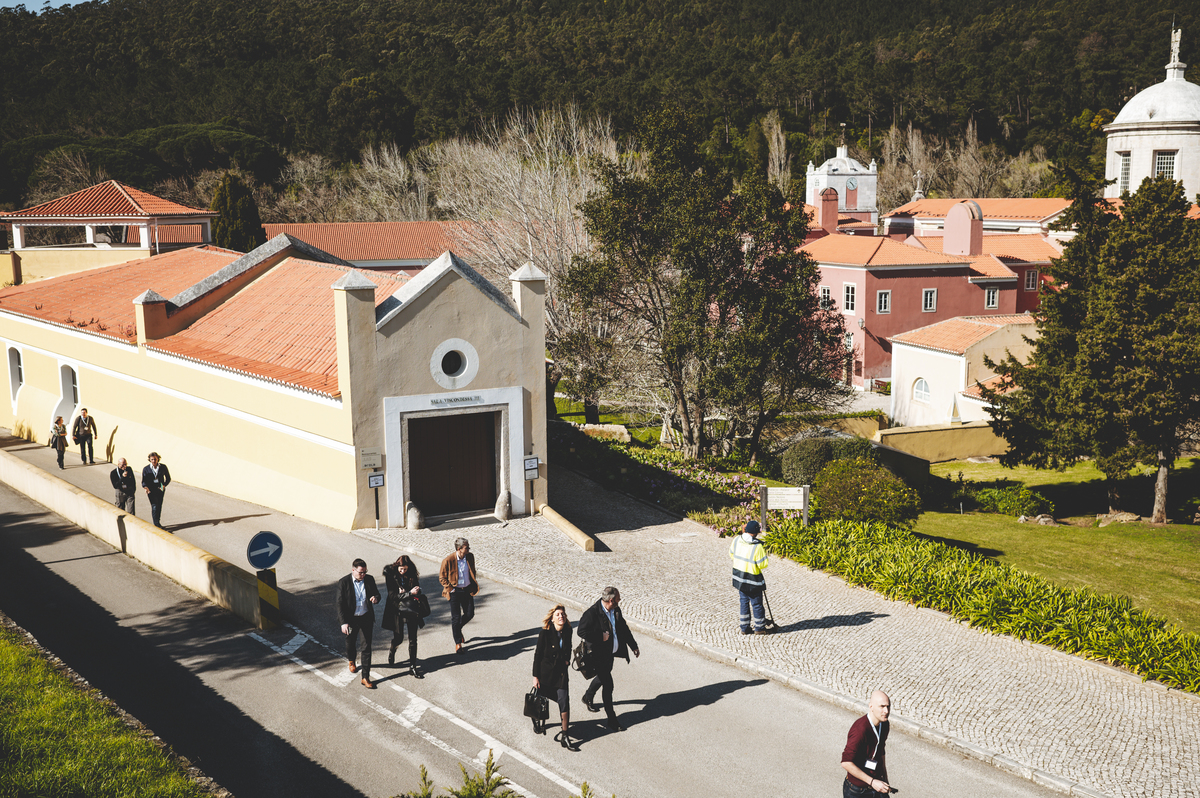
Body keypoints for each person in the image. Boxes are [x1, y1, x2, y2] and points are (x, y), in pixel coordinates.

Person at [577, 586, 639, 732]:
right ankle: (612, 720)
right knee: (608, 685)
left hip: (610, 654)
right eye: (618, 599)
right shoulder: (592, 613)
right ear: (611, 600)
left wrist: (633, 646)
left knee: (603, 676)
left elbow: (623, 628)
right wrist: (600, 636)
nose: (620, 601)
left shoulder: (615, 610)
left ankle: (588, 696)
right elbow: (581, 631)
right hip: (597, 656)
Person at [532, 604, 575, 749]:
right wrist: (535, 676)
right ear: (552, 618)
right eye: (557, 614)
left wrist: (567, 660)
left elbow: (569, 647)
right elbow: (537, 656)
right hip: (546, 674)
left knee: (564, 701)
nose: (561, 616)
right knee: (539, 702)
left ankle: (565, 735)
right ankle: (536, 720)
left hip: (561, 674)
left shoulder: (568, 630)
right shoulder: (544, 633)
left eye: (562, 614)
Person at [336, 558, 380, 689]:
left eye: (365, 572)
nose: (363, 575)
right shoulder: (344, 582)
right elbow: (339, 604)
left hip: (365, 617)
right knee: (350, 642)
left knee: (366, 647)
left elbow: (377, 594)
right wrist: (343, 622)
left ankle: (365, 677)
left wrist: (376, 598)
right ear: (353, 570)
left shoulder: (369, 579)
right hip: (351, 620)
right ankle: (351, 660)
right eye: (361, 572)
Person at [841, 690, 893, 796]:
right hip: (857, 790)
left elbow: (881, 751)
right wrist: (872, 782)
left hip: (877, 784)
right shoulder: (860, 730)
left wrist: (885, 778)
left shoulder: (885, 724)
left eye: (888, 706)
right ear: (871, 707)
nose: (886, 711)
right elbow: (846, 762)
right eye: (882, 706)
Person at [382, 554, 424, 679]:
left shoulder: (411, 575)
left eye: (405, 569)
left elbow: (417, 591)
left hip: (411, 609)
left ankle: (412, 666)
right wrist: (409, 593)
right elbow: (392, 596)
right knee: (399, 638)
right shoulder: (391, 576)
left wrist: (413, 591)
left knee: (413, 639)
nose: (403, 571)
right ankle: (393, 647)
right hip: (397, 610)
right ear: (397, 567)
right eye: (401, 569)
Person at [729, 519, 770, 635]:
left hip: (739, 578)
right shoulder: (757, 547)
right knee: (756, 604)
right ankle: (759, 627)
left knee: (743, 602)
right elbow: (763, 564)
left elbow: (731, 554)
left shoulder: (736, 540)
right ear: (756, 532)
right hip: (753, 580)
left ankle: (744, 627)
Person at [438, 538, 477, 654]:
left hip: (467, 590)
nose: (469, 549)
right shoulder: (448, 560)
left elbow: (472, 571)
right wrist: (451, 589)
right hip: (455, 592)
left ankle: (457, 630)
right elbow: (442, 578)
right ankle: (458, 643)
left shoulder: (470, 557)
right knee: (456, 618)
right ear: (459, 549)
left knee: (470, 614)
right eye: (466, 547)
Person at [141, 452, 171, 529]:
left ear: (158, 459)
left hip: (160, 489)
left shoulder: (163, 467)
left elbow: (168, 478)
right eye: (152, 459)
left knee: (159, 505)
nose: (154, 461)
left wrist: (164, 485)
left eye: (155, 459)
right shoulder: (146, 469)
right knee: (154, 505)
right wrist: (145, 487)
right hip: (151, 490)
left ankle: (158, 520)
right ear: (149, 460)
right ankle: (156, 524)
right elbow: (143, 481)